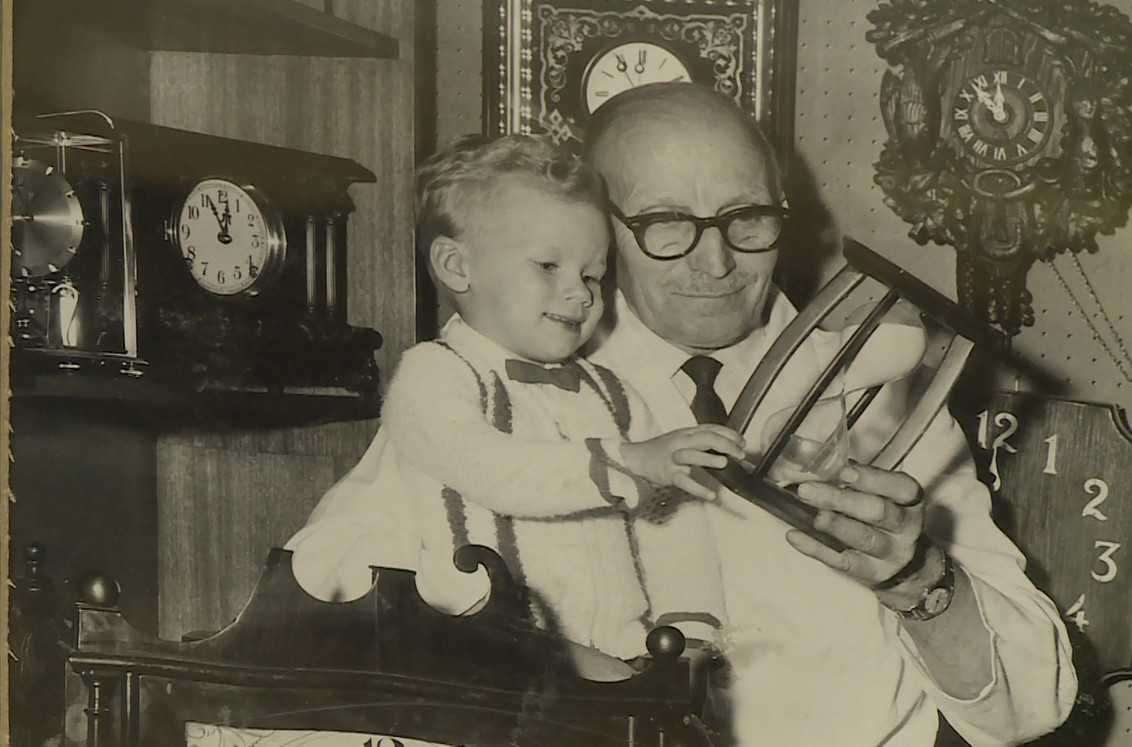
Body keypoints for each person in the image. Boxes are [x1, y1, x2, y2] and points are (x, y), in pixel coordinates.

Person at [581, 82, 1077, 745]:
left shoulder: (877, 390)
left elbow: (1031, 704)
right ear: (598, 228)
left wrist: (915, 578)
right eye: (665, 222)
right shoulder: (510, 389)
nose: (717, 262)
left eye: (747, 217)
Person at [284, 134, 745, 663]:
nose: (580, 293)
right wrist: (626, 463)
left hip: (612, 660)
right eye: (548, 266)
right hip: (466, 653)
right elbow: (488, 467)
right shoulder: (435, 373)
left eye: (592, 275)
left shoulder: (615, 398)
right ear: (457, 266)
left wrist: (690, 629)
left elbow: (672, 517)